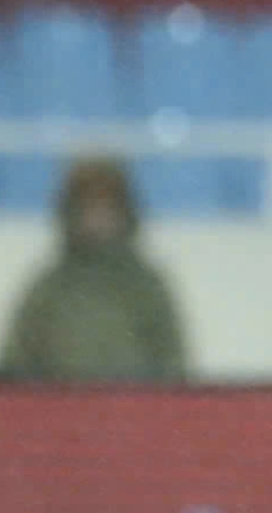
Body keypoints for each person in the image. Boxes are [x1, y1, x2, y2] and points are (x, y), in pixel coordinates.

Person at [1, 156, 190, 381]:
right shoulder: (49, 288)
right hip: (60, 411)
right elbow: (17, 364)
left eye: (106, 206)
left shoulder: (147, 287)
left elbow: (172, 364)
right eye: (88, 206)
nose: (98, 216)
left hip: (133, 410)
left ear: (124, 209)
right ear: (71, 210)